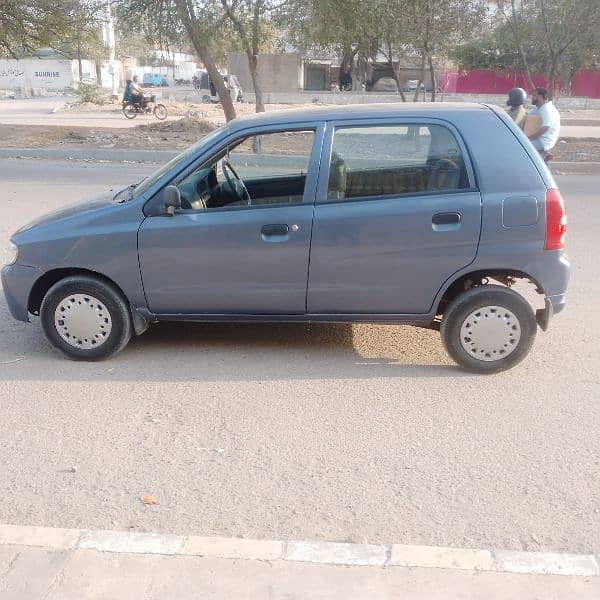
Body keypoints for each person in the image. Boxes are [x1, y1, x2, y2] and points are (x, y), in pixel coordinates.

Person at [527, 87, 560, 156]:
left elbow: (545, 127)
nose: (532, 98)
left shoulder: (547, 109)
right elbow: (526, 117)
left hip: (543, 142)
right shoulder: (539, 108)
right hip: (540, 139)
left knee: (520, 146)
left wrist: (530, 138)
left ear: (540, 96)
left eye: (534, 95)